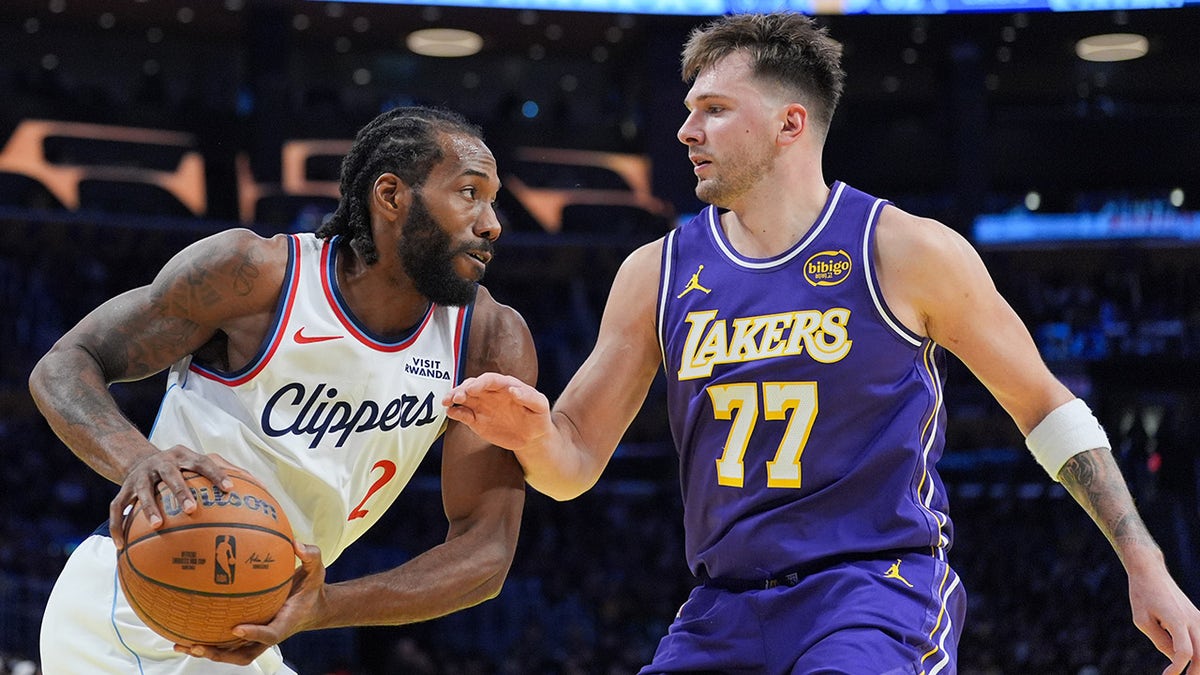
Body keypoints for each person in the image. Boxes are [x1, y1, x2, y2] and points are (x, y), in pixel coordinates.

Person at [443, 12, 1200, 674]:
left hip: (875, 593)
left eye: (713, 109)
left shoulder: (905, 250)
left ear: (789, 123)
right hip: (721, 606)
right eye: (688, 109)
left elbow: (1046, 408)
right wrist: (537, 433)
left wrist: (1146, 564)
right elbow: (571, 464)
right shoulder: (657, 272)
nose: (686, 131)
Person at [30, 106, 537, 673]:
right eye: (469, 193)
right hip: (123, 618)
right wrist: (137, 460)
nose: (492, 222)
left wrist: (322, 606)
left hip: (247, 629)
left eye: (492, 200)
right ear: (391, 196)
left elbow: (486, 554)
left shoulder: (487, 340)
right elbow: (66, 364)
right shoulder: (255, 276)